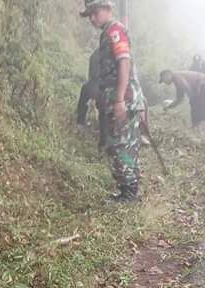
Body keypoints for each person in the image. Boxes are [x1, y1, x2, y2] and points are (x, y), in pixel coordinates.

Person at [80, 0, 146, 202]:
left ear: (107, 9)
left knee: (120, 144)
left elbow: (124, 62)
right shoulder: (109, 31)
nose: (92, 18)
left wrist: (118, 100)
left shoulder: (114, 31)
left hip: (122, 99)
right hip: (122, 97)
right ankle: (129, 190)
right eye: (89, 14)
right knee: (125, 143)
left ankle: (128, 194)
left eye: (95, 12)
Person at [75, 47, 108, 151]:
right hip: (105, 88)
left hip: (95, 86)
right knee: (104, 112)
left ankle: (80, 122)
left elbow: (91, 75)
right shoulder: (111, 55)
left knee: (85, 91)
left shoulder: (94, 54)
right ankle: (104, 140)